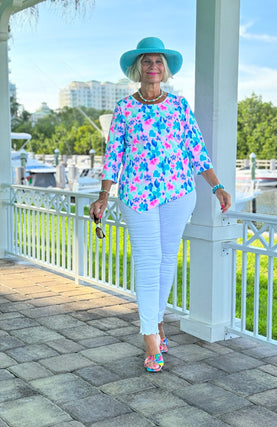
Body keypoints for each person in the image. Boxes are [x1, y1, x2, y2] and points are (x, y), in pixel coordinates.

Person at [90, 37, 231, 372]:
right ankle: (149, 335)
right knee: (147, 262)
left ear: (164, 70)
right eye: (147, 62)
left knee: (167, 261)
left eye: (158, 63)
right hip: (137, 196)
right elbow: (114, 155)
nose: (153, 68)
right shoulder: (125, 108)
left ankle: (156, 322)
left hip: (178, 194)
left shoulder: (179, 105)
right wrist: (104, 194)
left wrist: (218, 187)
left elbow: (196, 150)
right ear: (138, 68)